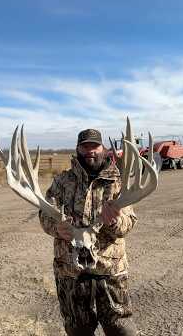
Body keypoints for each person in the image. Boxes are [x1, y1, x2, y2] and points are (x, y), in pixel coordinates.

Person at [39, 128, 138, 336]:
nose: (90, 151)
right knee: (78, 330)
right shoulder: (61, 182)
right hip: (70, 272)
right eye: (85, 146)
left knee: (121, 329)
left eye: (95, 146)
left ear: (103, 148)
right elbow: (44, 216)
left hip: (110, 270)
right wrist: (56, 228)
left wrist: (115, 222)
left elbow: (129, 222)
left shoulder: (118, 182)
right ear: (78, 149)